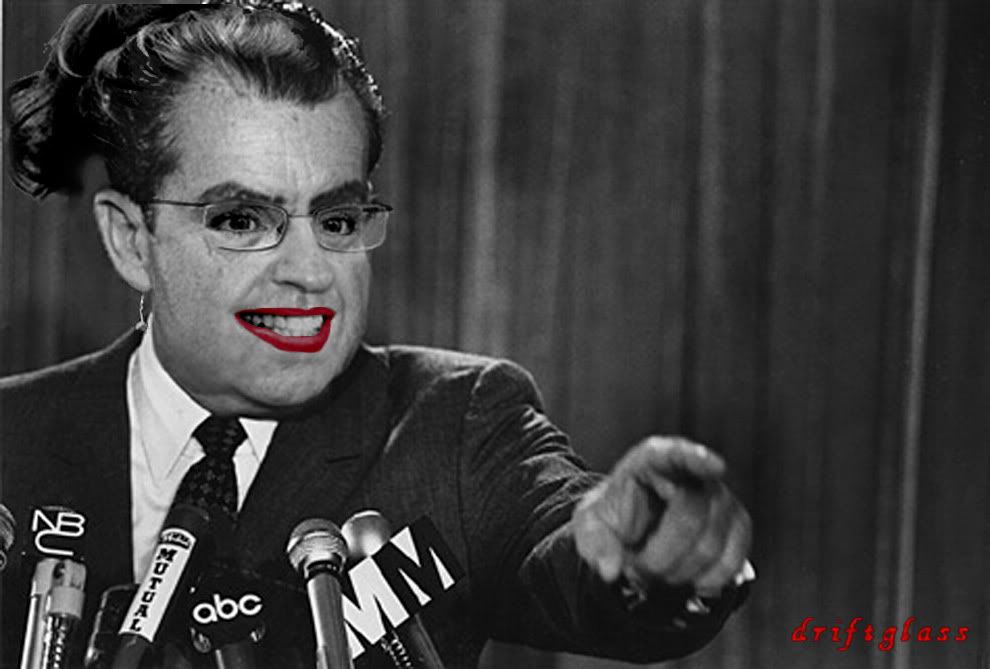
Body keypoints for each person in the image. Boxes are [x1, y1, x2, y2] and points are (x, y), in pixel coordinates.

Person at [0, 2, 753, 668]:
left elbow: (569, 555)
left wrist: (641, 553)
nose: (311, 272)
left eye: (336, 220)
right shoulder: (12, 440)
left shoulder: (453, 425)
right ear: (132, 240)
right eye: (241, 220)